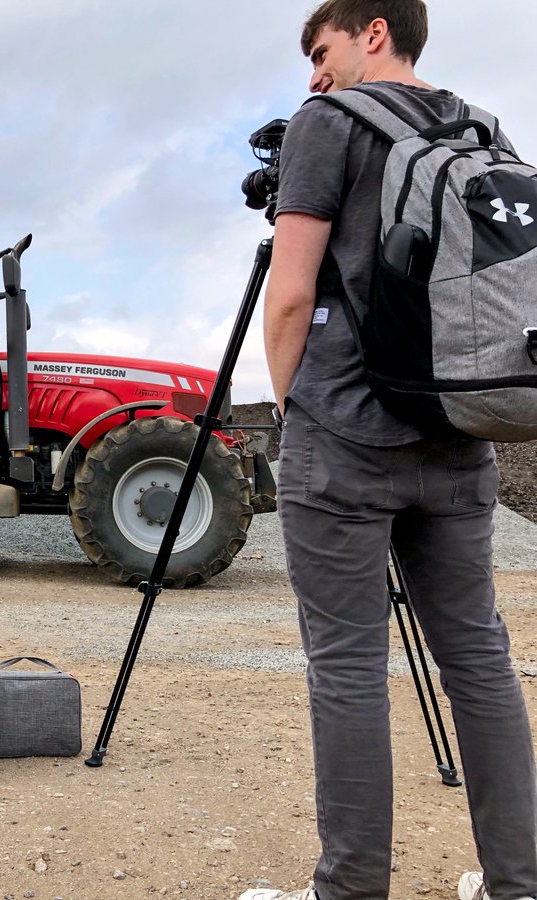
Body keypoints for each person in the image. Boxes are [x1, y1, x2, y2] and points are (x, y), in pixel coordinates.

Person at [243, 3, 537, 900]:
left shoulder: (326, 124)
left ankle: (351, 891)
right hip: (460, 431)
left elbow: (291, 292)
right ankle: (519, 885)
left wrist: (295, 409)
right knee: (478, 660)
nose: (313, 74)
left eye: (320, 49)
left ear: (374, 31)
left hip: (346, 434)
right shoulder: (482, 127)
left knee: (346, 668)